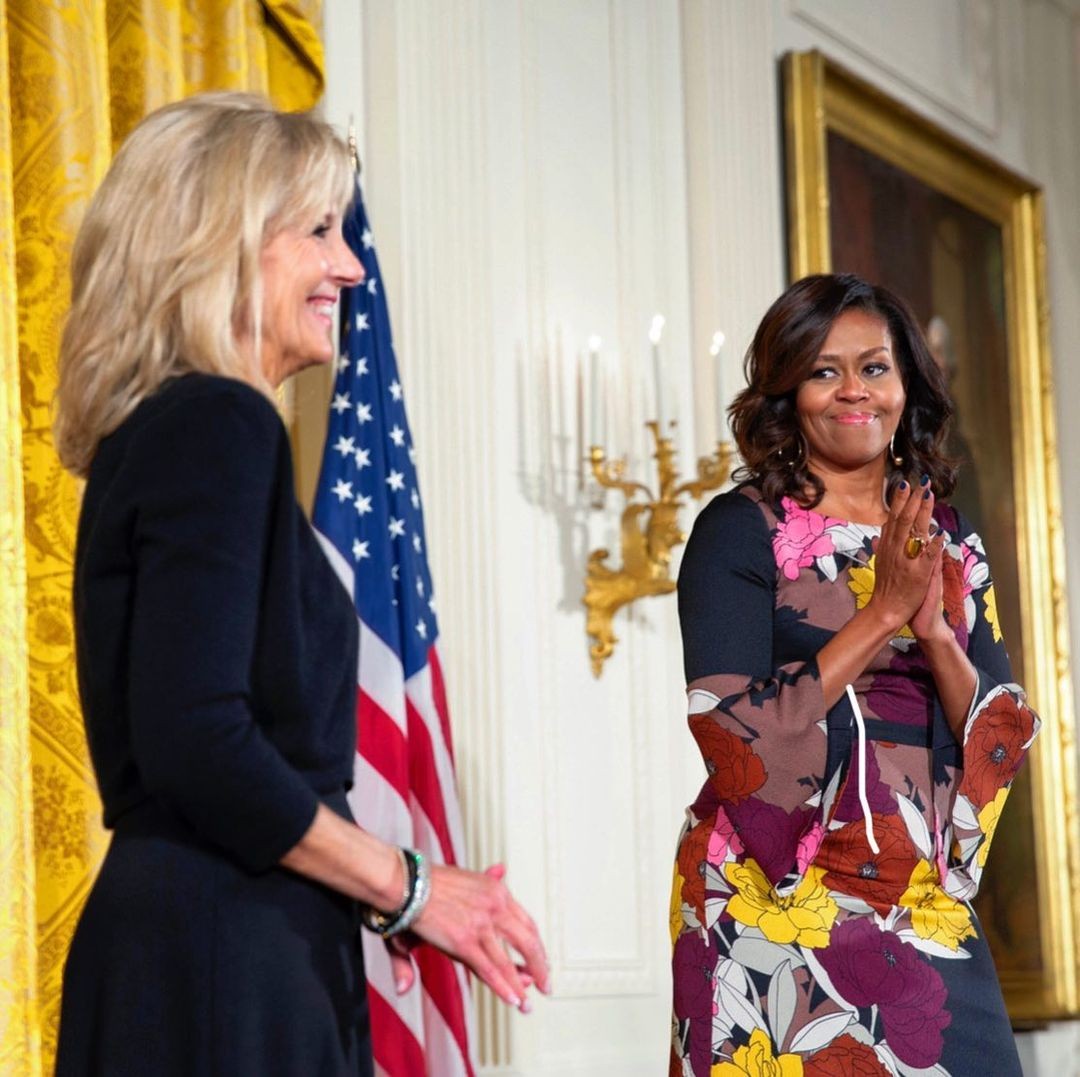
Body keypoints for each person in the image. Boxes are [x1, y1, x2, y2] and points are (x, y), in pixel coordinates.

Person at [52, 93, 549, 1076]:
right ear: (220, 245)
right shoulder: (221, 424)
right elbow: (198, 743)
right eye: (319, 231)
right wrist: (412, 888)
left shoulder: (162, 431)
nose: (350, 266)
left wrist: (370, 894)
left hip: (202, 948)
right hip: (222, 964)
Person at [670, 273, 1038, 1076]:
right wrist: (880, 614)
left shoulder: (949, 535)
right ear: (786, 392)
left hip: (920, 882)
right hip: (775, 885)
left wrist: (934, 627)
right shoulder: (737, 531)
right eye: (823, 369)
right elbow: (728, 727)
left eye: (874, 367)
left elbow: (1000, 726)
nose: (853, 392)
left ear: (907, 385)